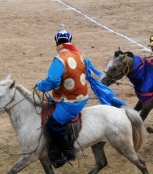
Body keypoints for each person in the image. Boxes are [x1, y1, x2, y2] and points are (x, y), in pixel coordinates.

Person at [36, 25, 125, 165]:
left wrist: (41, 85)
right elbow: (90, 74)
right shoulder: (81, 56)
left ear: (57, 43)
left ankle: (67, 153)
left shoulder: (59, 59)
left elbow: (53, 80)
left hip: (69, 102)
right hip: (80, 97)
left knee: (53, 124)